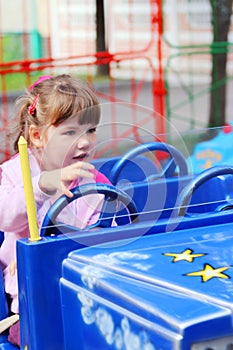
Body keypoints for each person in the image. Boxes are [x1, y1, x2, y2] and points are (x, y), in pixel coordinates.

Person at [0, 74, 112, 347]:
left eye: (91, 130)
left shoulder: (94, 180)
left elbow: (109, 228)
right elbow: (6, 215)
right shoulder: (16, 173)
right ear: (37, 136)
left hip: (82, 286)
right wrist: (42, 186)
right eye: (71, 132)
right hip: (31, 296)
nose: (85, 142)